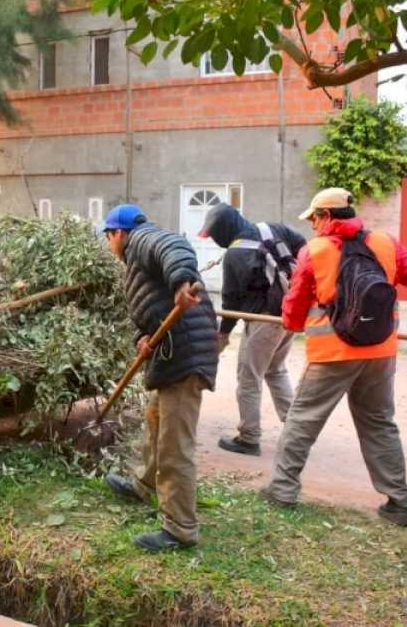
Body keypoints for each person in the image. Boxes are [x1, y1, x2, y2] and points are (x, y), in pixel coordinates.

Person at [261, 188, 407, 527]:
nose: (313, 226)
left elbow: (293, 309)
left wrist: (293, 322)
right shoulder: (385, 243)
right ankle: (399, 503)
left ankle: (282, 489)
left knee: (302, 420)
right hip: (380, 352)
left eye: (314, 219)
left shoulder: (313, 252)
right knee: (379, 423)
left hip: (332, 354)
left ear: (326, 216)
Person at [100, 203, 219, 552]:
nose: (110, 245)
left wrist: (183, 281)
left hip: (186, 354)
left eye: (108, 237)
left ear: (118, 233)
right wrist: (143, 336)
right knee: (155, 418)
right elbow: (152, 308)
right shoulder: (136, 261)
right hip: (173, 350)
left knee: (174, 444)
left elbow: (175, 247)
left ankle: (180, 528)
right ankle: (143, 484)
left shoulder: (143, 239)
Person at [199, 203, 307, 456]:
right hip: (289, 315)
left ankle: (249, 437)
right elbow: (302, 244)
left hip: (263, 320)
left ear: (225, 229)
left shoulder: (235, 255)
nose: (214, 240)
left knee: (249, 377)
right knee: (275, 370)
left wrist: (223, 334)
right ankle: (298, 432)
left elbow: (230, 301)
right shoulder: (272, 228)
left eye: (214, 235)